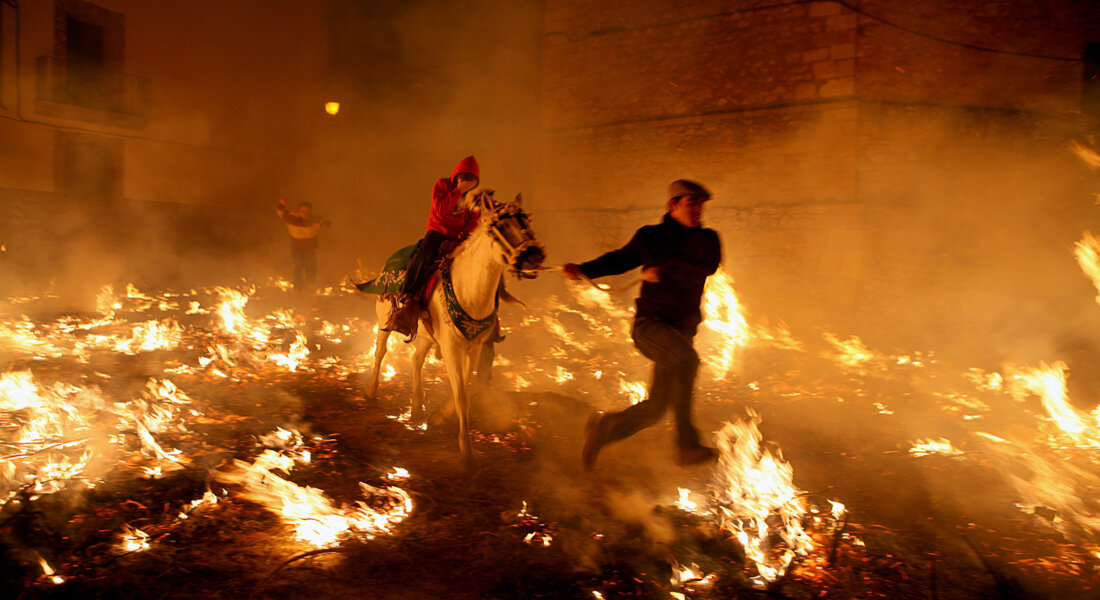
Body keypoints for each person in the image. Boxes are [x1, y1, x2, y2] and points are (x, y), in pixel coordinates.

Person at [563, 179, 722, 468]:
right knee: (687, 362)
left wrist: (663, 269)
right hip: (651, 326)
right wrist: (583, 270)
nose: (698, 209)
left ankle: (604, 429)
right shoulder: (651, 236)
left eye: (701, 204)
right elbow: (619, 260)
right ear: (673, 204)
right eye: (692, 203)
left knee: (657, 409)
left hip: (680, 333)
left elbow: (705, 266)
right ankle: (686, 446)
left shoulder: (708, 239)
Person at [385, 155, 481, 340]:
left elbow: (474, 220)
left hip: (459, 237)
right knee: (423, 256)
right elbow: (440, 210)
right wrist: (458, 191)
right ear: (457, 176)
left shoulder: (475, 197)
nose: (467, 181)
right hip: (438, 231)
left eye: (471, 179)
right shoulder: (443, 186)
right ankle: (409, 296)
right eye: (464, 177)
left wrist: (466, 235)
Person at [277, 198, 331, 294]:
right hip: (297, 248)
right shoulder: (291, 218)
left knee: (311, 269)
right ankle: (297, 290)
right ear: (299, 211)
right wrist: (281, 204)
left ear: (310, 212)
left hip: (310, 248)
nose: (305, 214)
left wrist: (322, 225)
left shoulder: (314, 219)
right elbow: (280, 211)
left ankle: (309, 288)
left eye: (307, 212)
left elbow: (327, 222)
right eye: (302, 211)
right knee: (298, 267)